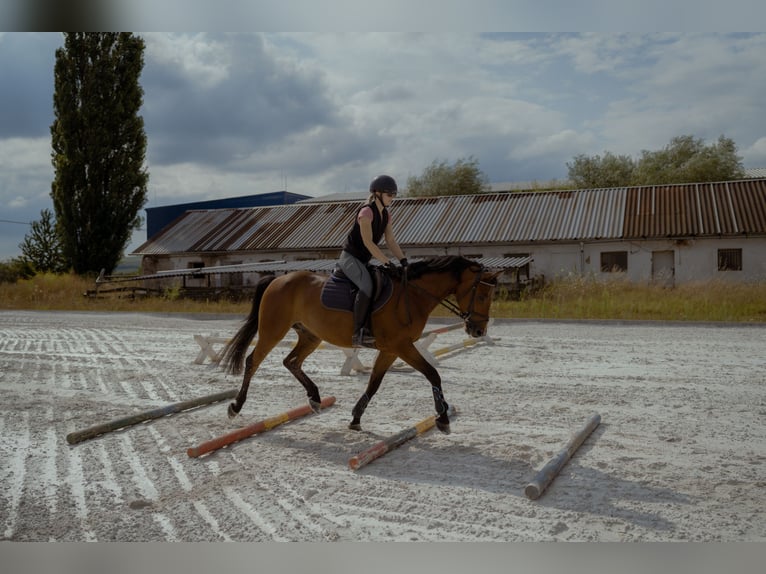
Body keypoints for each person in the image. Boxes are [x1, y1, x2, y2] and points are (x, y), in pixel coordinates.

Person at [339, 174, 408, 348]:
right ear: (377, 193)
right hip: (350, 257)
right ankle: (357, 333)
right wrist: (386, 261)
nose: (392, 198)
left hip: (363, 260)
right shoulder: (366, 212)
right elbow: (368, 242)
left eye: (394, 195)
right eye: (390, 195)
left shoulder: (386, 215)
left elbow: (390, 241)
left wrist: (403, 261)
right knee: (367, 286)